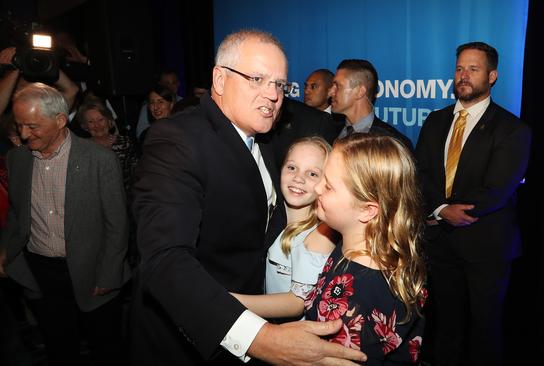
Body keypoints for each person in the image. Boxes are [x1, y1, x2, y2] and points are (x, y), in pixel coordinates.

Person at [130, 29, 367, 365]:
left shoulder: (264, 139)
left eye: (280, 85)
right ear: (220, 79)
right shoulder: (175, 140)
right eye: (257, 78)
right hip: (191, 339)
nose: (272, 95)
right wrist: (261, 338)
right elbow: (164, 261)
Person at [414, 42, 532, 366]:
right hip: (441, 245)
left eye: (474, 69)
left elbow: (498, 188)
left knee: (485, 331)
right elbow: (420, 174)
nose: (464, 76)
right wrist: (440, 210)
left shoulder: (512, 129)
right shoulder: (435, 122)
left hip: (486, 248)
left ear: (492, 76)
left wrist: (455, 211)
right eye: (460, 68)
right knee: (445, 329)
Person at [0, 83, 130, 366]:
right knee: (58, 347)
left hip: (92, 272)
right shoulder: (17, 159)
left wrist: (108, 275)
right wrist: (5, 250)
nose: (24, 135)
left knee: (106, 347)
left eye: (33, 127)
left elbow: (117, 225)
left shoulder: (99, 159)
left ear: (60, 120)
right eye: (20, 126)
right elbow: (16, 214)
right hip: (41, 274)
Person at [305, 134, 428, 364]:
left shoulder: (360, 295)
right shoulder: (352, 245)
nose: (317, 187)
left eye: (329, 186)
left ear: (367, 210)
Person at [233, 137, 336, 318]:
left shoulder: (320, 236)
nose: (298, 178)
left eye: (312, 174)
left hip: (293, 338)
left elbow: (297, 303)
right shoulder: (270, 217)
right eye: (292, 167)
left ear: (325, 183)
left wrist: (227, 302)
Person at [328, 59, 413, 150]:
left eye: (337, 86)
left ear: (360, 92)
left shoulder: (393, 143)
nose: (330, 92)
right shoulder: (329, 131)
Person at [135, 70, 183, 138]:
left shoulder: (185, 104)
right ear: (160, 84)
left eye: (174, 83)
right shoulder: (147, 107)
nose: (170, 86)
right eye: (167, 83)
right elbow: (141, 134)